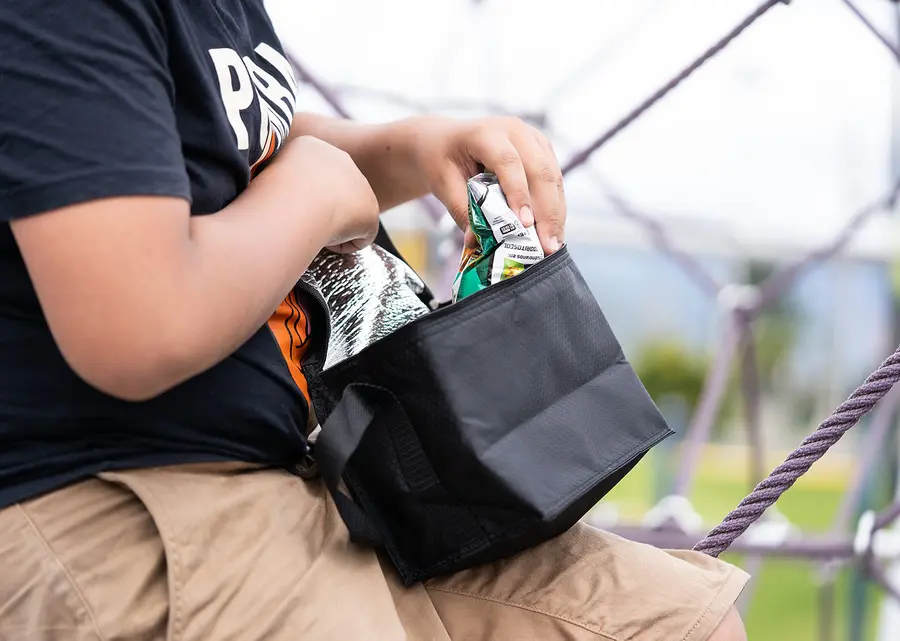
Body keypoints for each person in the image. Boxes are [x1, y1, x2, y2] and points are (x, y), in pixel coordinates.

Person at [0, 1, 749, 639]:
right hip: (129, 501)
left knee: (681, 622)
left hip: (311, 477)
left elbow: (235, 145)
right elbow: (138, 325)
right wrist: (317, 194)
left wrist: (413, 150)